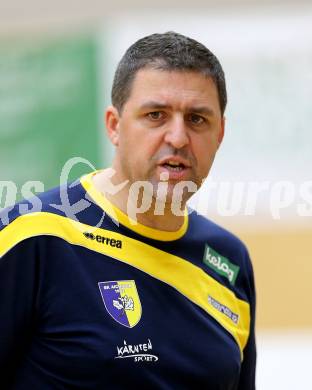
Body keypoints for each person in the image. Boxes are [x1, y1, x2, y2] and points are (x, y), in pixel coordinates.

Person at [0, 32, 256, 389]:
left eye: (197, 119)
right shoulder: (33, 236)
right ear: (114, 126)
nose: (178, 138)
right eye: (156, 115)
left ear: (221, 133)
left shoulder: (229, 260)